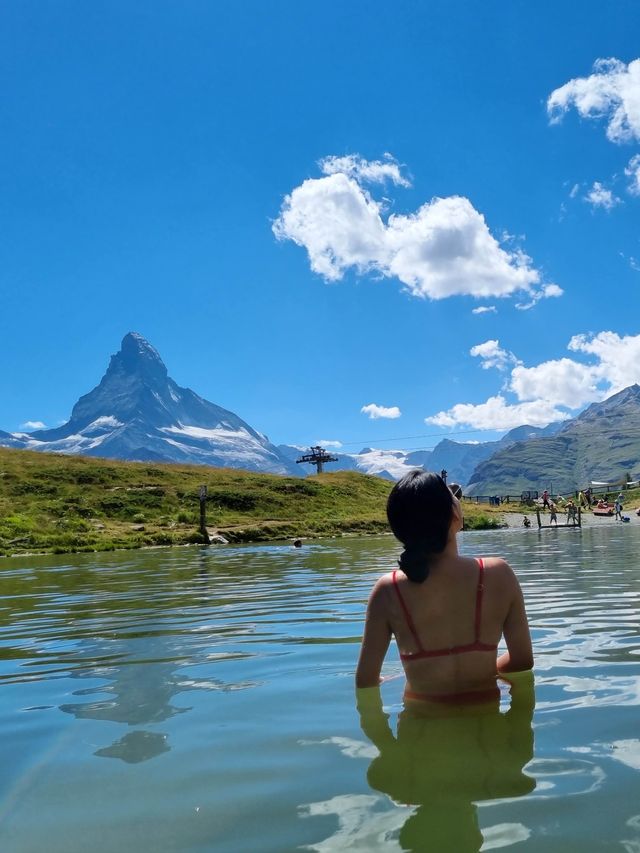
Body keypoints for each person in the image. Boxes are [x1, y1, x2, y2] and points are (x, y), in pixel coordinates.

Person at [355, 470, 533, 704]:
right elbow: (522, 661)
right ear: (454, 515)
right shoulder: (499, 574)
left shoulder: (387, 590)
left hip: (419, 731)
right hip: (486, 735)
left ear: (398, 529)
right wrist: (484, 670)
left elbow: (365, 681)